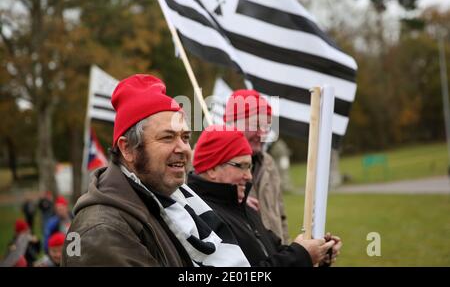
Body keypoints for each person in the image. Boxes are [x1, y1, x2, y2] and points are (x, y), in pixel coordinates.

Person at [62, 74, 249, 267]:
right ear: (127, 149)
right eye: (167, 138)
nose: (183, 148)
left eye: (185, 138)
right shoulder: (101, 231)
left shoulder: (173, 202)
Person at [188, 126, 341, 266]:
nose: (249, 176)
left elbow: (275, 253)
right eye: (241, 166)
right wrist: (301, 255)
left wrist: (316, 253)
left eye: (250, 167)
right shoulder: (201, 217)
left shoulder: (244, 207)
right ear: (212, 169)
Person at [224, 89, 289, 243]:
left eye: (266, 126)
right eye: (256, 125)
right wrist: (227, 197)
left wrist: (289, 253)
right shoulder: (212, 165)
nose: (262, 133)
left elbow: (281, 217)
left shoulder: (268, 163)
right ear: (233, 123)